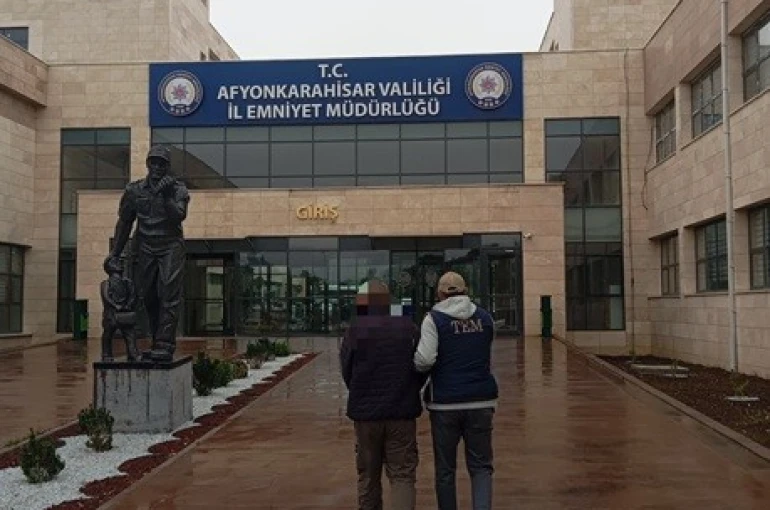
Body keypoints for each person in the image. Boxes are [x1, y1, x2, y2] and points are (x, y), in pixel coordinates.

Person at [414, 271, 498, 510]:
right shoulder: (485, 317)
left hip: (445, 403)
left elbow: (424, 360)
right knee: (481, 467)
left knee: (445, 470)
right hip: (481, 401)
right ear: (466, 290)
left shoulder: (434, 319)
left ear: (439, 293)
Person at [340, 279, 426, 510]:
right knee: (402, 476)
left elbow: (347, 370)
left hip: (366, 417)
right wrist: (410, 389)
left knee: (368, 476)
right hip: (402, 413)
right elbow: (421, 366)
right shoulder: (408, 327)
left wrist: (361, 391)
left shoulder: (355, 330)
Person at [105, 145, 190, 362]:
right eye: (154, 162)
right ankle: (156, 339)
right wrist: (115, 253)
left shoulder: (177, 189)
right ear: (148, 164)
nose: (158, 167)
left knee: (168, 294)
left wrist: (166, 196)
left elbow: (178, 216)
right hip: (144, 245)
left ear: (168, 167)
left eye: (162, 163)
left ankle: (164, 344)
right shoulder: (134, 191)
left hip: (170, 244)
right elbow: (125, 223)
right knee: (148, 295)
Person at [100, 256, 140, 362]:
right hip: (111, 314)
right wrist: (115, 305)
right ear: (110, 267)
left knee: (130, 334)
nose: (121, 263)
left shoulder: (127, 282)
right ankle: (106, 354)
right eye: (117, 262)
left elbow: (133, 295)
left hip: (125, 314)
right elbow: (106, 297)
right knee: (108, 334)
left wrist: (128, 305)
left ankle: (133, 353)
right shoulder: (106, 283)